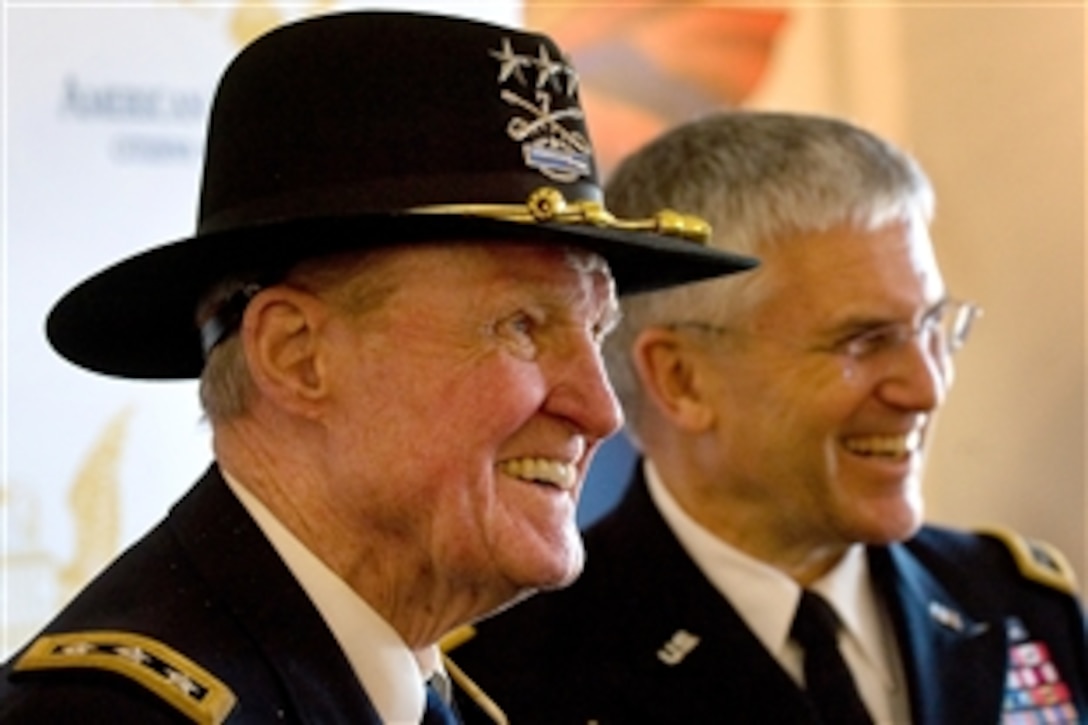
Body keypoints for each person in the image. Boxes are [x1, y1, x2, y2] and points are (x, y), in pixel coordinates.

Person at [0, 13, 757, 724]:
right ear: (297, 356)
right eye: (521, 325)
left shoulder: (419, 689)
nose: (601, 409)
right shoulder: (112, 714)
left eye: (596, 329)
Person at [450, 111, 1088, 724]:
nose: (924, 387)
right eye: (863, 342)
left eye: (930, 327)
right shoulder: (516, 677)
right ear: (683, 380)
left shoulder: (1014, 602)